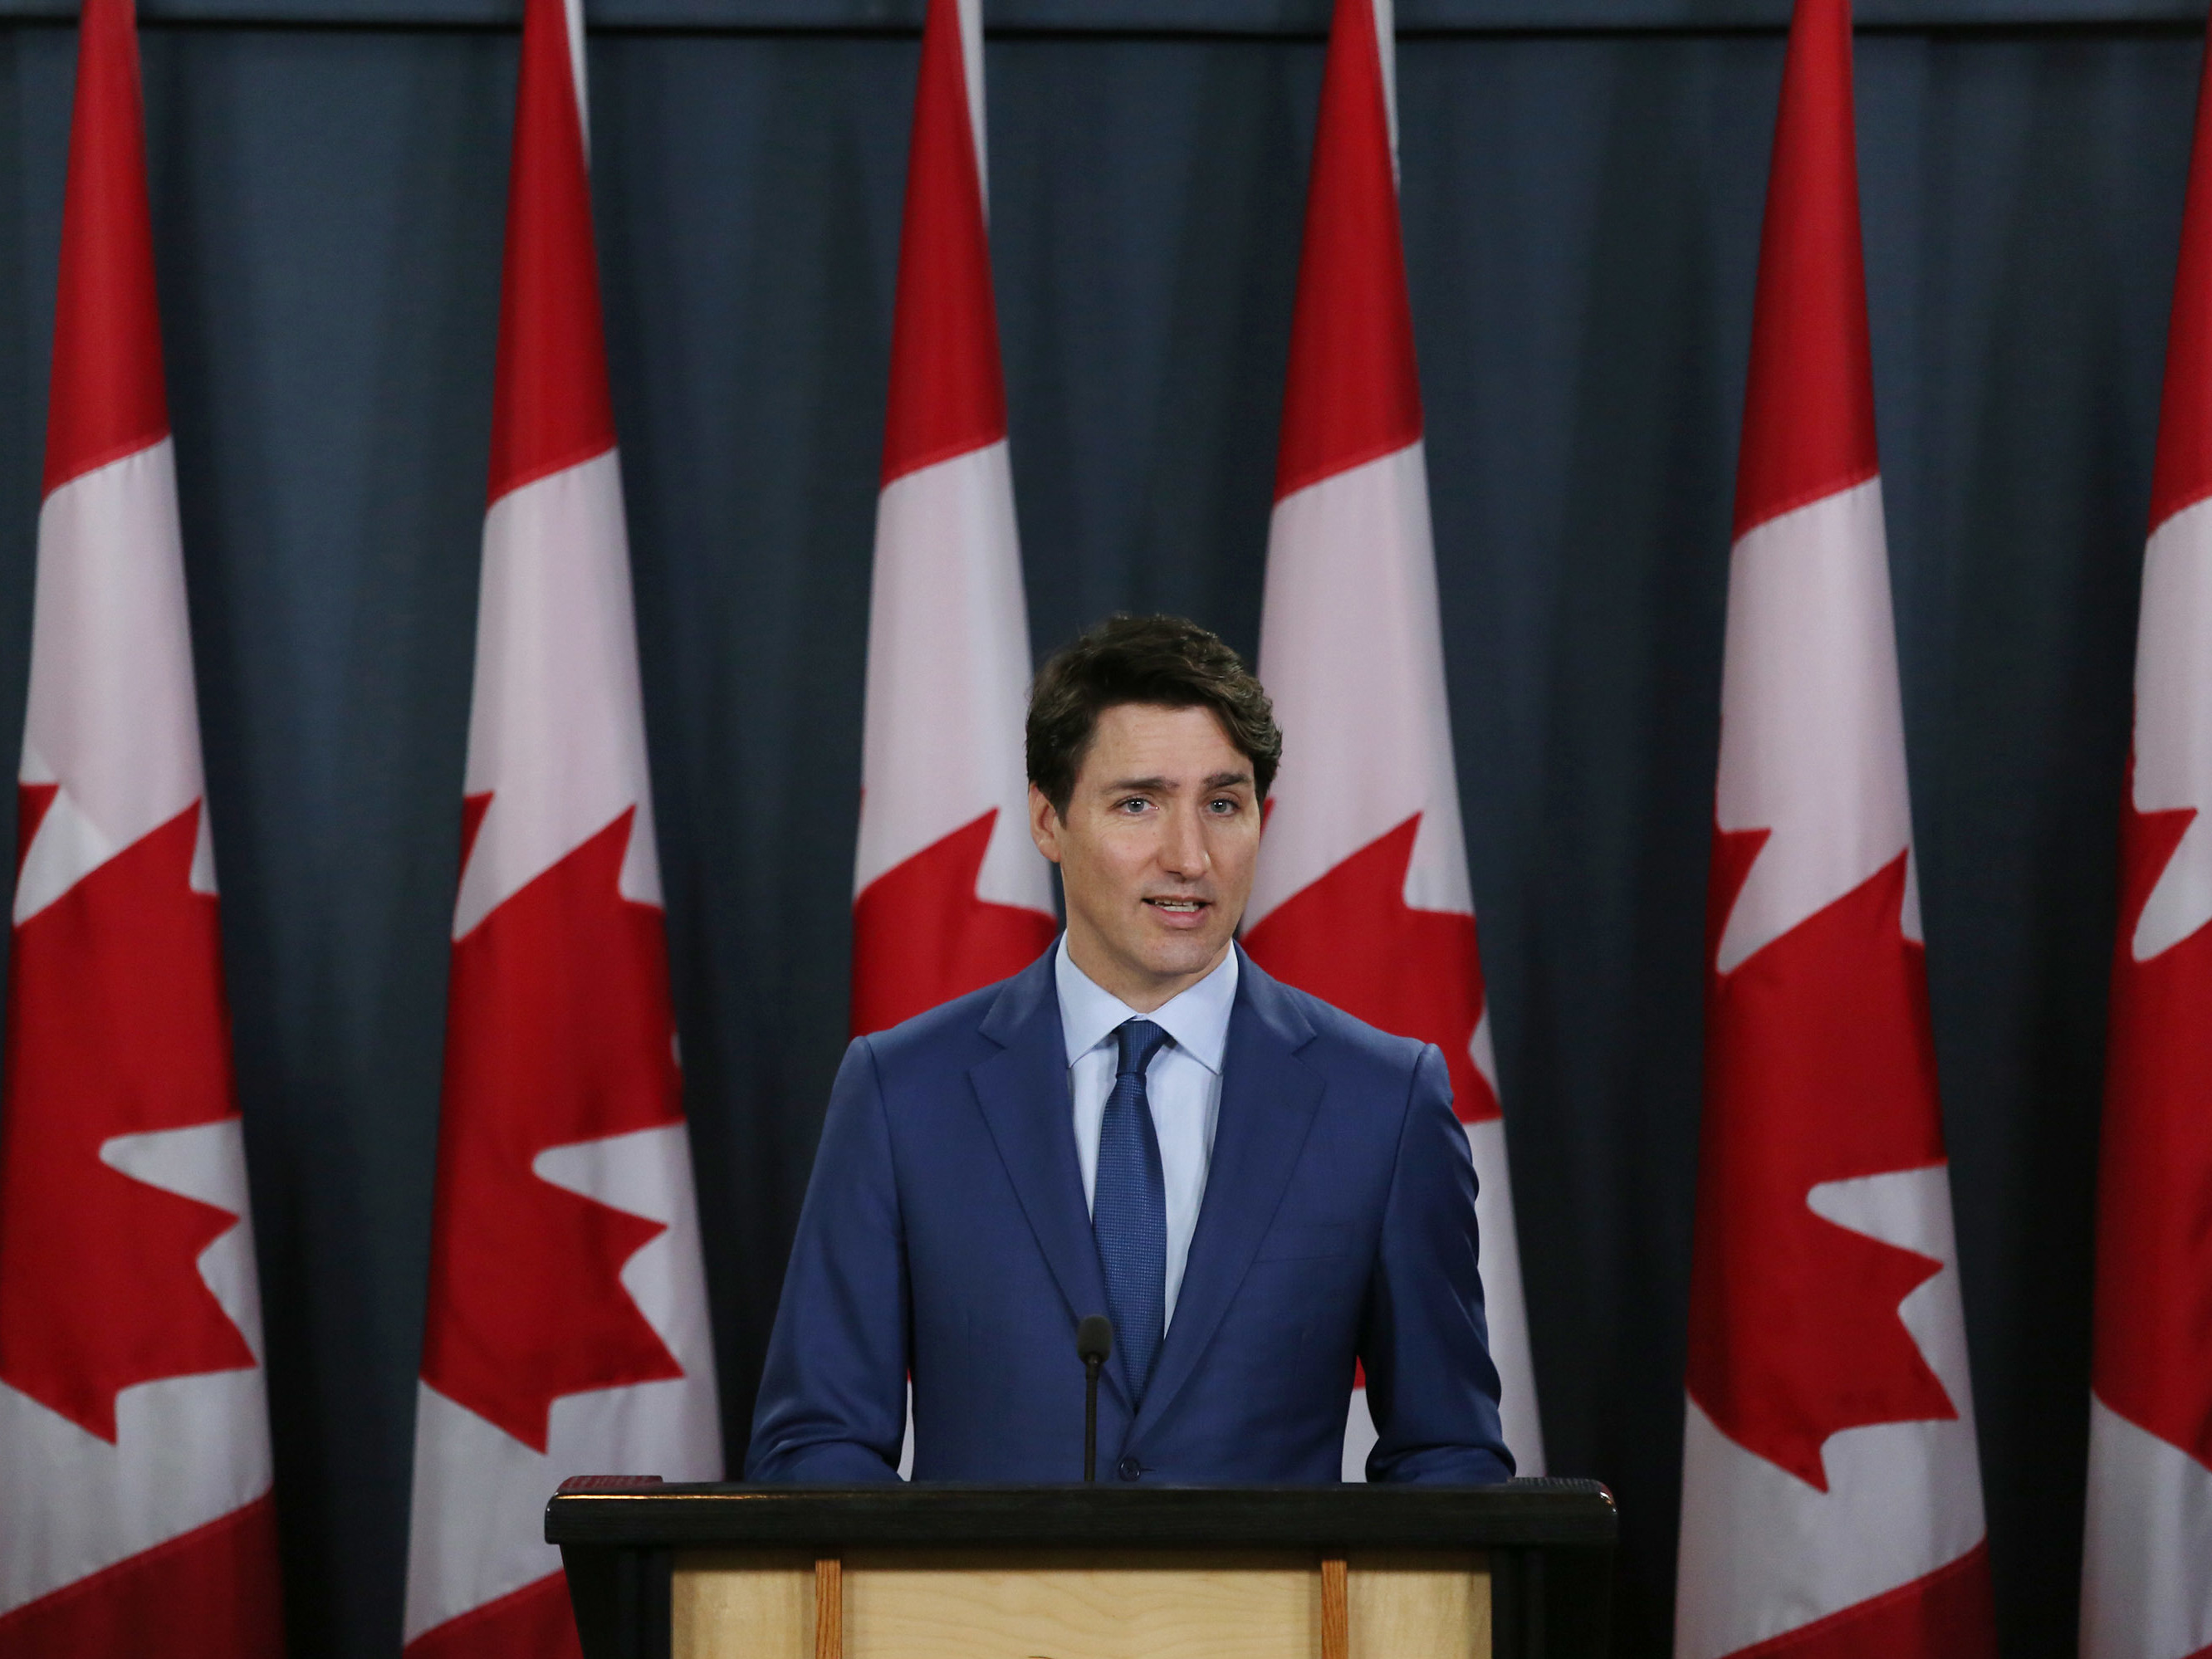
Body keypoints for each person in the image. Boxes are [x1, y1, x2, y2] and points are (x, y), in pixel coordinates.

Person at [746, 614, 1511, 1484]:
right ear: (1048, 820)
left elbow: (1448, 1455)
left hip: (1272, 1623)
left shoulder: (1383, 1101)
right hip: (981, 1624)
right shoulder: (902, 1093)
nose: (1188, 857)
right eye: (1138, 804)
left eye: (1223, 805)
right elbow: (816, 1446)